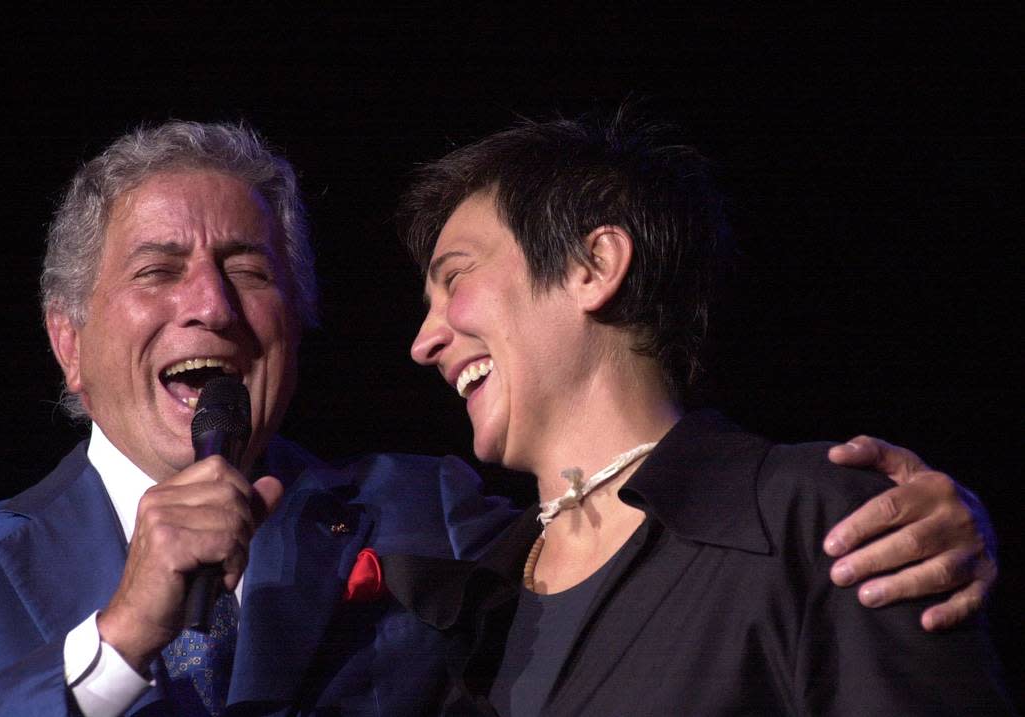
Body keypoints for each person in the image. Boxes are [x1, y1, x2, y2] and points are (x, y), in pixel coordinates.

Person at [0, 121, 998, 717]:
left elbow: (647, 542)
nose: (211, 305)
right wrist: (116, 645)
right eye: (160, 270)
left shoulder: (430, 512)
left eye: (249, 269)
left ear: (300, 321)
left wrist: (934, 518)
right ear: (67, 342)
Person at [395, 110, 1012, 714]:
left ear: (593, 267)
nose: (424, 341)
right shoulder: (475, 611)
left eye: (455, 278)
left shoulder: (824, 523)